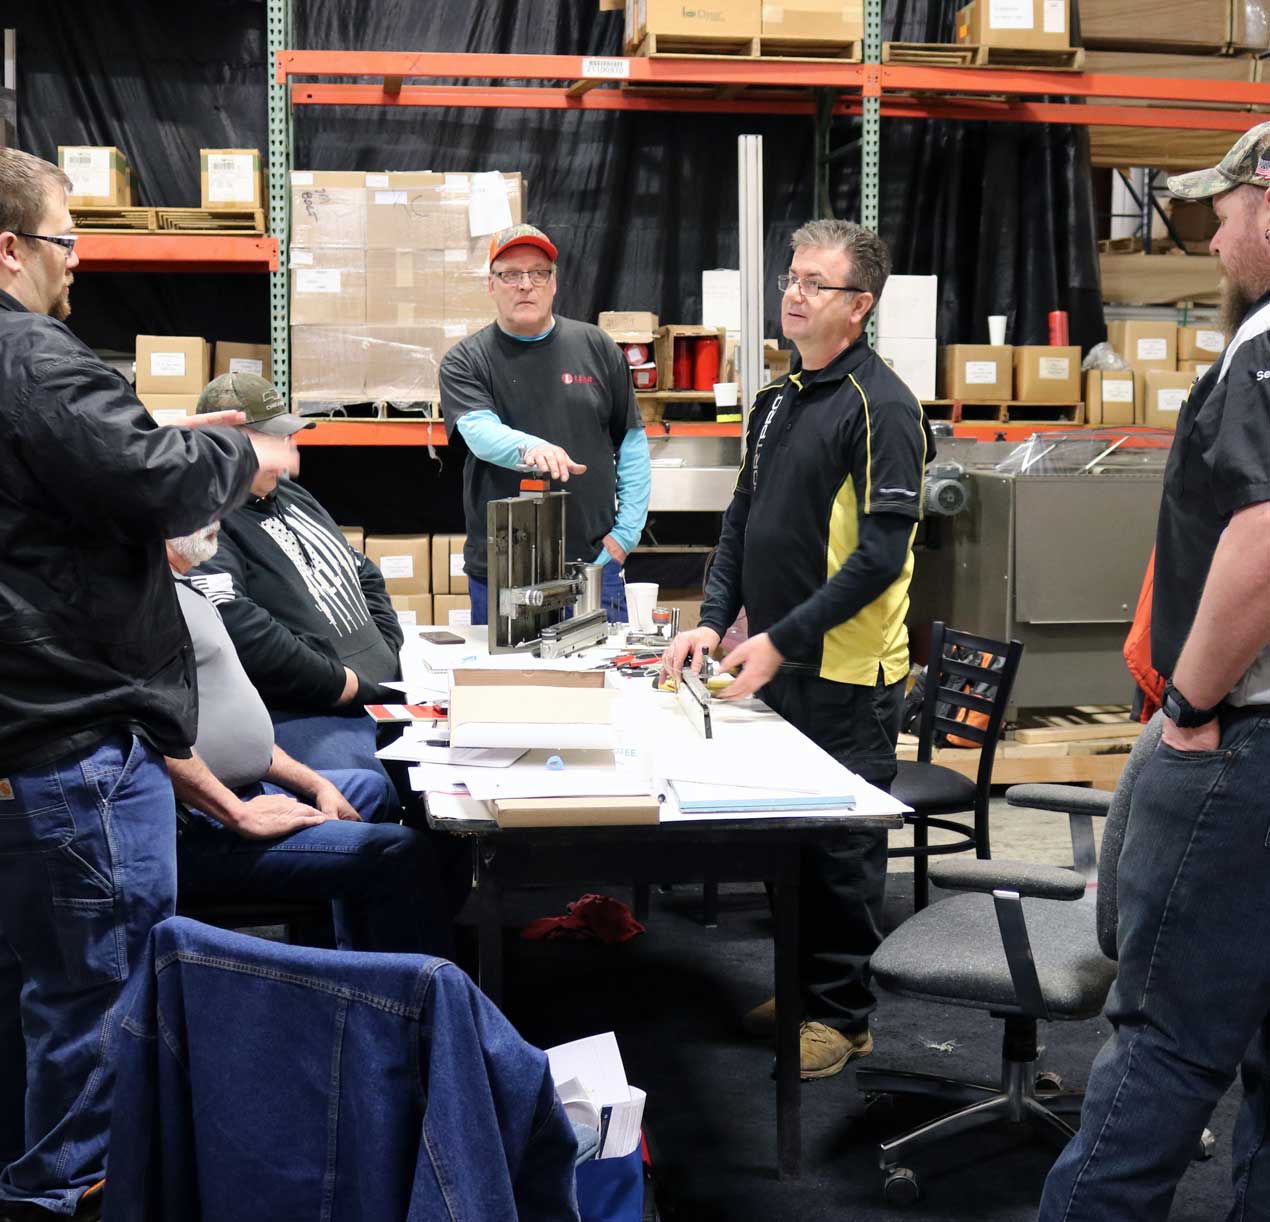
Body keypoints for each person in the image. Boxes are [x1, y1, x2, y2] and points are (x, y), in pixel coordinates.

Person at [0, 148, 297, 1218]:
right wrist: (236, 454)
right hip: (69, 738)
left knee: (47, 994)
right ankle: (70, 1194)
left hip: (34, 736)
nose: (76, 265)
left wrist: (169, 439)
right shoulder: (33, 355)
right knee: (99, 993)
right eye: (68, 240)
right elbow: (156, 481)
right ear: (12, 247)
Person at [1039, 120, 1270, 1222]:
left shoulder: (1265, 348)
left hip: (1240, 747)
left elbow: (1264, 539)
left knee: (1165, 1046)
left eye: (1226, 203)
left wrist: (1188, 703)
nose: (1213, 226)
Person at [662, 218, 935, 1080]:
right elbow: (742, 522)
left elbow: (881, 556)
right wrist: (714, 618)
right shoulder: (778, 401)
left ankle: (845, 1017)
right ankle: (807, 989)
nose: (794, 292)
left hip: (846, 672)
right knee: (793, 843)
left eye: (815, 283)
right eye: (791, 276)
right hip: (777, 661)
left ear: (858, 306)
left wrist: (780, 639)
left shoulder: (882, 407)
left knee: (841, 851)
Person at [167, 523, 451, 956]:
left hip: (236, 790)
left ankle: (348, 961)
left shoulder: (184, 589)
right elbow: (148, 736)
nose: (216, 517)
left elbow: (230, 725)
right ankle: (411, 1007)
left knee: (369, 789)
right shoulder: (141, 609)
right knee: (398, 853)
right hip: (193, 823)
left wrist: (314, 783)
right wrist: (236, 813)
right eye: (196, 501)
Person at [186, 372, 404, 779]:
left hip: (382, 695)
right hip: (306, 713)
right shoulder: (205, 518)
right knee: (373, 791)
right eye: (270, 439)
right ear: (221, 442)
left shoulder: (291, 495)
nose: (287, 449)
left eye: (285, 436)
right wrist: (345, 685)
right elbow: (240, 628)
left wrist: (388, 651)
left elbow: (363, 571)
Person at [439, 223, 650, 624]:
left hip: (594, 566)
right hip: (504, 574)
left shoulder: (597, 346)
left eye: (538, 273)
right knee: (507, 685)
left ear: (554, 283)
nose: (526, 285)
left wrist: (625, 536)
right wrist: (532, 449)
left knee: (604, 682)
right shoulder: (466, 360)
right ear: (491, 285)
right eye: (511, 275)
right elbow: (480, 433)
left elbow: (632, 442)